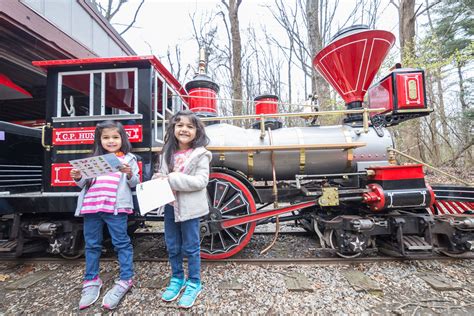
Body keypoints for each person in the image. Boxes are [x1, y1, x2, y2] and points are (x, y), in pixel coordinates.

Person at [70, 120, 139, 310]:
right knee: (92, 244)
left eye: (115, 137)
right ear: (99, 140)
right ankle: (91, 280)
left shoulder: (129, 158)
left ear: (122, 139)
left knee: (121, 242)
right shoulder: (93, 159)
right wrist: (77, 177)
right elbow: (83, 183)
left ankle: (126, 278)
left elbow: (135, 182)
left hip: (115, 208)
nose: (111, 141)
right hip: (92, 206)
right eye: (106, 137)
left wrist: (129, 173)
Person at [153, 110, 211, 309]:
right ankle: (177, 278)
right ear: (173, 128)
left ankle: (194, 282)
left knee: (191, 246)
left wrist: (172, 178)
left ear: (197, 131)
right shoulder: (166, 153)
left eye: (189, 126)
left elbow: (201, 181)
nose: (184, 129)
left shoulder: (201, 154)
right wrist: (157, 180)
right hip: (170, 206)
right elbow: (161, 174)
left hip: (190, 209)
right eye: (180, 125)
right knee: (172, 245)